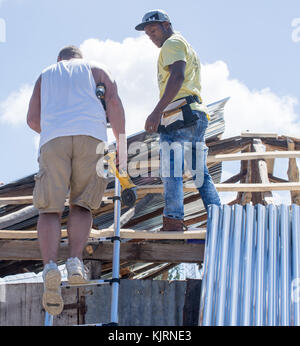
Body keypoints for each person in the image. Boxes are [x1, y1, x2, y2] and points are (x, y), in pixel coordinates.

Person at [27, 45, 126, 315]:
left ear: (59, 59)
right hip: (91, 137)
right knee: (83, 204)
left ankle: (49, 266)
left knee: (49, 208)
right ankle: (74, 262)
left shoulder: (45, 75)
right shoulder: (96, 69)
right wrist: (122, 146)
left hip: (54, 140)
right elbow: (114, 103)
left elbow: (32, 119)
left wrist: (55, 128)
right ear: (79, 58)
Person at [135, 10, 221, 231]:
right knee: (200, 174)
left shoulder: (171, 44)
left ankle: (173, 220)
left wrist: (157, 112)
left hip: (179, 115)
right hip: (196, 114)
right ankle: (219, 217)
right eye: (147, 34)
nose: (151, 36)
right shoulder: (183, 43)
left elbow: (178, 76)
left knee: (170, 170)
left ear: (166, 24)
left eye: (153, 30)